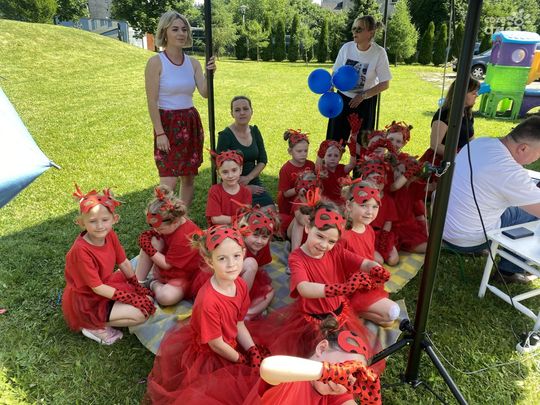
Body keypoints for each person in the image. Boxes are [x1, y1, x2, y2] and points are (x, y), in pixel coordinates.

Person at [249, 199, 384, 373]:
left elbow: (363, 262)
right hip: (313, 323)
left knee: (346, 356)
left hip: (340, 316)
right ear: (307, 227)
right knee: (314, 363)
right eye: (319, 236)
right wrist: (340, 289)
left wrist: (374, 267)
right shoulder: (297, 258)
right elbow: (304, 288)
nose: (323, 245)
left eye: (331, 241)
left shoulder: (336, 251)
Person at [145, 225, 266, 404]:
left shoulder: (240, 285)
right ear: (210, 262)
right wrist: (241, 359)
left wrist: (252, 350)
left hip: (230, 341)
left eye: (236, 256)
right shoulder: (208, 301)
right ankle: (153, 284)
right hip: (211, 353)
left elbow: (239, 323)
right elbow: (216, 345)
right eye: (222, 258)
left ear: (243, 253)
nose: (232, 264)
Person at [443, 116, 540, 284]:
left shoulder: (479, 142)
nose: (537, 159)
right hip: (466, 239)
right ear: (523, 148)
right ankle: (509, 271)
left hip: (442, 229)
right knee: (531, 215)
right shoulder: (510, 173)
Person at [62, 185, 155, 345]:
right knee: (141, 314)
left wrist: (136, 285)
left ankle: (112, 313)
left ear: (114, 219)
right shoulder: (81, 251)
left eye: (105, 220)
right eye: (92, 221)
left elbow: (123, 262)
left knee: (147, 300)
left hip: (106, 286)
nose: (100, 226)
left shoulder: (109, 234)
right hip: (88, 300)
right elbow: (97, 288)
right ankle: (91, 325)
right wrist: (130, 297)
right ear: (81, 223)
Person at [145, 11, 216, 207]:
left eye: (184, 29)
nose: (181, 33)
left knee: (188, 178)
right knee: (167, 182)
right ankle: (161, 220)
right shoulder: (156, 62)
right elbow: (152, 101)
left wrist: (209, 74)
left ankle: (182, 218)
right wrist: (160, 133)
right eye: (175, 29)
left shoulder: (193, 63)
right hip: (167, 123)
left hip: (190, 122)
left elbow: (205, 93)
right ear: (164, 32)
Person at [244, 317, 382, 404]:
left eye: (351, 378)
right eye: (343, 368)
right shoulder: (291, 378)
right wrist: (328, 372)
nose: (342, 381)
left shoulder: (334, 391)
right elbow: (268, 367)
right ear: (321, 349)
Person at [340, 179, 399, 327]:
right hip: (350, 287)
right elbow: (336, 268)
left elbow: (368, 255)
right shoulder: (342, 234)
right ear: (349, 205)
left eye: (374, 206)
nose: (370, 212)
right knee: (392, 312)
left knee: (388, 321)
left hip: (366, 281)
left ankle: (355, 311)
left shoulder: (369, 230)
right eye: (363, 205)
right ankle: (349, 307)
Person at [326, 15, 391, 143]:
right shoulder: (346, 48)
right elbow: (335, 72)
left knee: (362, 145)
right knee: (334, 142)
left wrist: (362, 96)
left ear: (370, 33)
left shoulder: (379, 52)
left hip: (365, 103)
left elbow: (385, 83)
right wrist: (331, 86)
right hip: (342, 100)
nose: (355, 32)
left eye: (359, 29)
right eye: (353, 28)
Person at [135, 185, 203, 306]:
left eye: (160, 228)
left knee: (166, 297)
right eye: (153, 227)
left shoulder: (185, 236)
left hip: (185, 276)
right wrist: (150, 244)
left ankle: (152, 284)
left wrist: (148, 247)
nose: (156, 231)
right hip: (168, 266)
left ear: (175, 222)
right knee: (153, 240)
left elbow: (166, 265)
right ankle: (137, 283)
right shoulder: (172, 224)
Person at [218, 96, 274, 210]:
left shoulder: (255, 131)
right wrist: (243, 187)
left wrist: (249, 178)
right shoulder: (225, 136)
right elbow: (220, 166)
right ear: (232, 113)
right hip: (231, 183)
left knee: (270, 210)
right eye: (237, 110)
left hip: (253, 179)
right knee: (247, 214)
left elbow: (262, 160)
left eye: (245, 108)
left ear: (251, 111)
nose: (242, 113)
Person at [419, 78, 480, 167]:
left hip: (460, 161)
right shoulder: (445, 114)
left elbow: (470, 140)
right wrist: (459, 157)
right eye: (473, 93)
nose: (477, 95)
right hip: (440, 162)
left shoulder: (468, 113)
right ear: (462, 94)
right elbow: (435, 145)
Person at [236, 205, 279, 318]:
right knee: (251, 263)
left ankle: (248, 315)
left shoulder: (263, 247)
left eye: (264, 237)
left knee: (269, 292)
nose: (259, 241)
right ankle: (237, 306)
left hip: (247, 283)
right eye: (255, 235)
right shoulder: (236, 245)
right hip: (228, 281)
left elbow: (261, 267)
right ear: (244, 231)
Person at [277, 129, 315, 236]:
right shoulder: (285, 169)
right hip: (289, 206)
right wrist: (298, 188)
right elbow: (285, 193)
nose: (303, 154)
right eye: (299, 151)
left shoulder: (311, 165)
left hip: (306, 202)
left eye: (305, 151)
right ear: (290, 151)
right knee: (290, 224)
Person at [206, 150, 252, 226]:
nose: (230, 176)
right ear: (218, 173)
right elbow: (215, 219)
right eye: (225, 172)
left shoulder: (246, 192)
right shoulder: (215, 190)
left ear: (240, 170)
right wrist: (236, 219)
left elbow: (246, 216)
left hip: (239, 228)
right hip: (220, 229)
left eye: (234, 170)